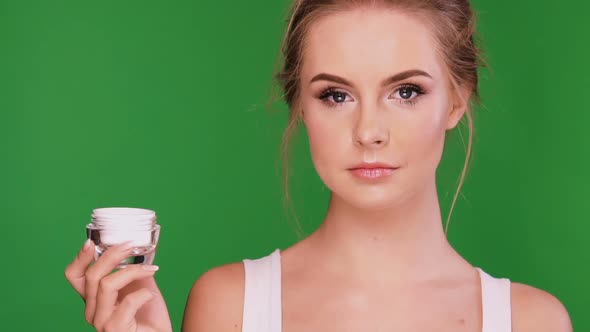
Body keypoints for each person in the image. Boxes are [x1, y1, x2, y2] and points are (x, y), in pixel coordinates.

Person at [65, 0, 574, 331]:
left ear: (456, 102)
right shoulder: (228, 306)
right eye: (336, 95)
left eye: (405, 92)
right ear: (300, 107)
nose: (369, 131)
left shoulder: (534, 321)